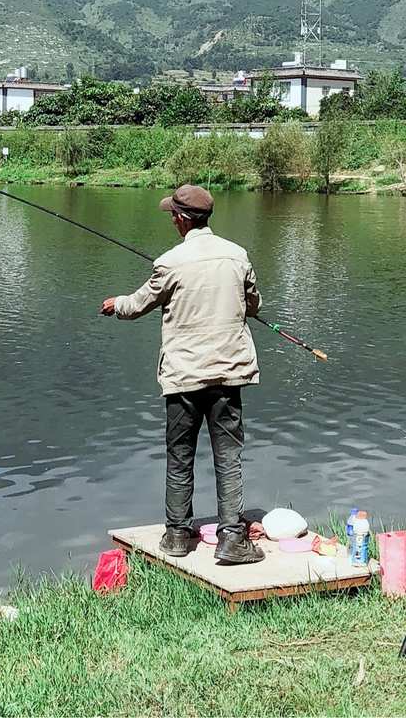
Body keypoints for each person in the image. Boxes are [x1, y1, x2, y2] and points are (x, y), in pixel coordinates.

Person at [100, 183, 264, 565]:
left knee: (180, 456)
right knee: (228, 457)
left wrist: (115, 304)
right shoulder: (238, 256)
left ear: (179, 219)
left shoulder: (169, 263)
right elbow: (254, 304)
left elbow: (138, 304)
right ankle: (232, 539)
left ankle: (176, 535)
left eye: (171, 215)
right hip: (228, 375)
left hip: (184, 378)